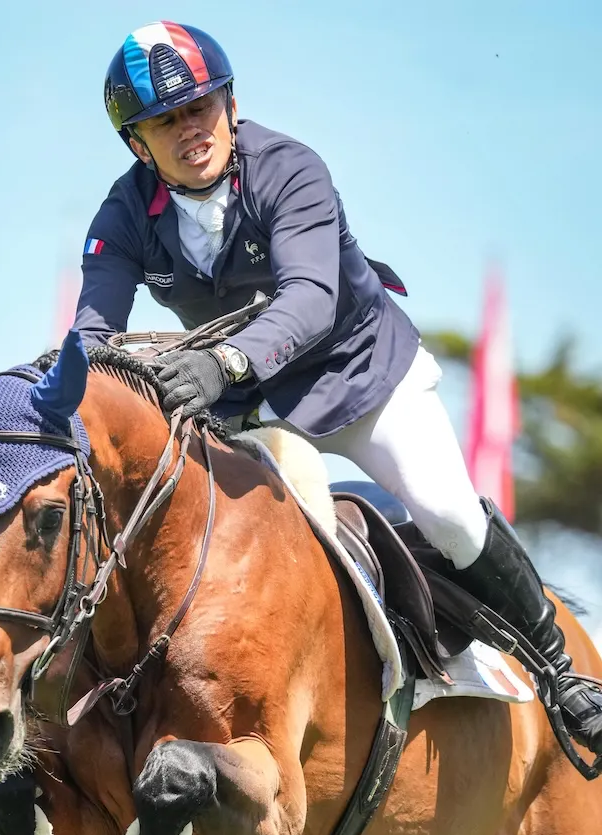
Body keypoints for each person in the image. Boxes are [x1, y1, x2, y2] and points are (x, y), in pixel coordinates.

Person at [73, 20, 602, 758]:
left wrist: (221, 363)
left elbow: (311, 299)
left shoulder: (290, 169)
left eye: (200, 107)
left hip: (357, 375)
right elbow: (95, 334)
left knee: (447, 513)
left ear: (229, 104)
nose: (190, 129)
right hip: (246, 406)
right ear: (138, 144)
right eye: (166, 120)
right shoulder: (122, 215)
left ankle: (560, 667)